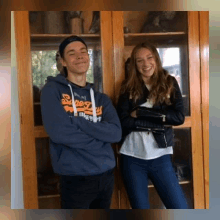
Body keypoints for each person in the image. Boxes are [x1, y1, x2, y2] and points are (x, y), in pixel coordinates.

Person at [40, 35, 122, 209]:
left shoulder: (101, 99)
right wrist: (101, 141)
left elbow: (115, 133)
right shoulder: (51, 91)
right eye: (71, 53)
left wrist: (78, 121)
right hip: (75, 177)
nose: (79, 56)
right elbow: (60, 133)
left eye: (83, 51)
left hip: (106, 175)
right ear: (63, 61)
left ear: (88, 58)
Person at [117, 42, 188, 209]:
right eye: (139, 60)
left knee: (180, 208)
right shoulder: (128, 86)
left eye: (149, 58)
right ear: (134, 64)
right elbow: (124, 121)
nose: (145, 64)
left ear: (156, 59)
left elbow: (178, 117)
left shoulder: (169, 82)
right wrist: (159, 122)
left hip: (160, 156)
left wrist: (141, 113)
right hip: (132, 157)